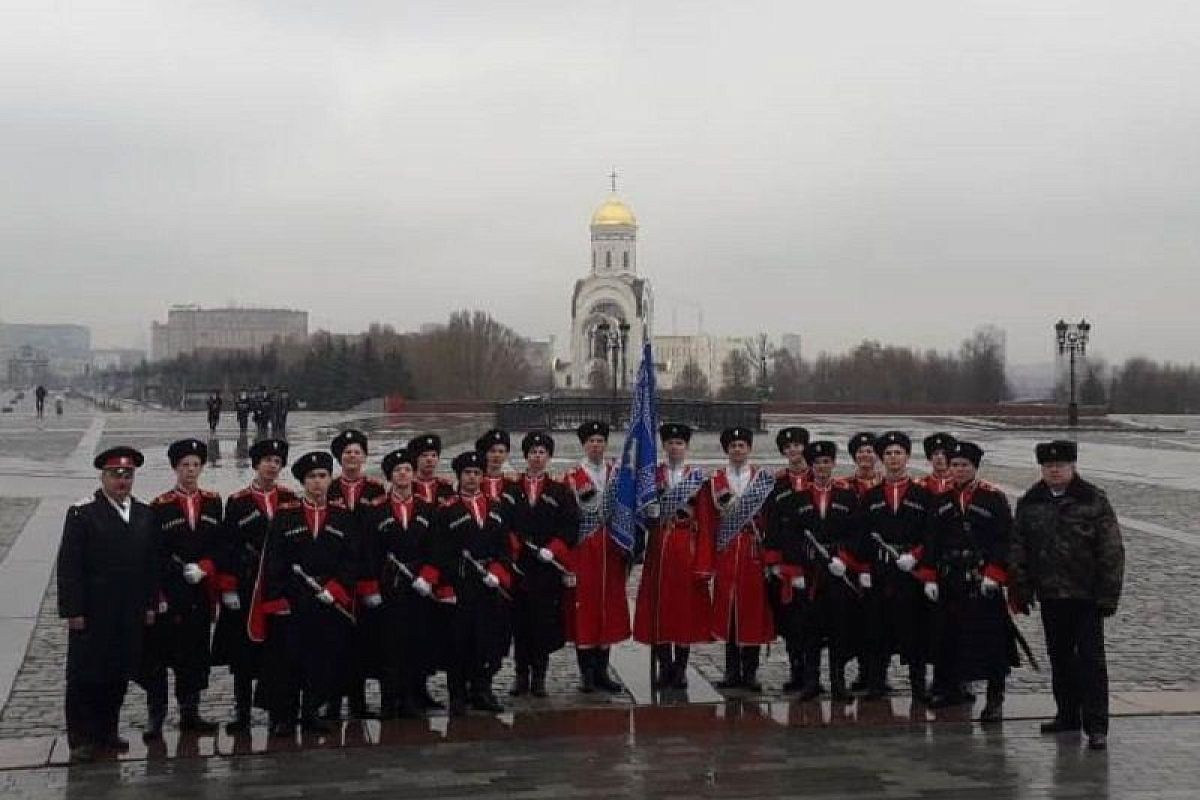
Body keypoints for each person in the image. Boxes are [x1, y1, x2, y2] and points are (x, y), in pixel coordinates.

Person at [1009, 440, 1124, 751]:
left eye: (1060, 466)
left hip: (1086, 595)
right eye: (1049, 466)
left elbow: (1111, 550)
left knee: (1091, 660)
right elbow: (1018, 546)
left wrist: (1108, 594)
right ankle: (1068, 714)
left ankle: (1097, 724)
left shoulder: (1093, 499)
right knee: (1060, 659)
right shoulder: (1030, 501)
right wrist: (1021, 586)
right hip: (1051, 594)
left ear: (1073, 467)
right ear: (1042, 469)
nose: (1055, 470)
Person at [57, 447, 157, 763]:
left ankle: (107, 730)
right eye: (116, 474)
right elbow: (70, 566)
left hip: (128, 611)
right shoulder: (83, 514)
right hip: (93, 611)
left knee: (117, 672)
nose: (122, 480)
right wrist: (73, 610)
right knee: (86, 675)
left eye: (128, 475)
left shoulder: (143, 514)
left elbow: (149, 564)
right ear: (103, 476)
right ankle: (81, 737)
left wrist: (149, 604)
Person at [257, 451, 359, 737]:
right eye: (312, 477)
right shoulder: (285, 516)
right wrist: (277, 600)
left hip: (326, 600)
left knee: (320, 658)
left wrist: (337, 589)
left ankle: (312, 710)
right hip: (292, 600)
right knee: (287, 661)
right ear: (303, 482)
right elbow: (273, 561)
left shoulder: (343, 517)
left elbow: (351, 560)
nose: (318, 483)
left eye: (323, 476)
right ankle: (284, 716)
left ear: (330, 479)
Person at [211, 438, 296, 734]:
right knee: (243, 653)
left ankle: (278, 714)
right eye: (267, 460)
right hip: (247, 584)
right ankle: (242, 713)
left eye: (277, 461)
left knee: (277, 652)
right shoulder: (237, 501)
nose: (272, 466)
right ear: (256, 464)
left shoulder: (289, 499)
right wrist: (229, 587)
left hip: (276, 586)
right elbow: (228, 546)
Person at [140, 439, 222, 741]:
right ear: (175, 468)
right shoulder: (160, 506)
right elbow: (153, 552)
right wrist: (160, 591)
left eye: (195, 465)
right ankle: (156, 714)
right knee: (159, 658)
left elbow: (220, 544)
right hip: (170, 593)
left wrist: (206, 567)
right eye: (185, 465)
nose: (190, 470)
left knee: (194, 655)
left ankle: (191, 712)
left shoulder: (214, 502)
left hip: (199, 592)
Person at [765, 440, 860, 700]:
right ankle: (810, 681)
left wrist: (845, 558)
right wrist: (793, 571)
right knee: (810, 630)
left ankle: (838, 682)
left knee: (839, 628)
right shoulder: (798, 498)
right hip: (809, 573)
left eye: (826, 462)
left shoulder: (847, 495)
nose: (821, 467)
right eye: (817, 463)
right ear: (811, 465)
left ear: (833, 464)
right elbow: (788, 537)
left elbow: (857, 533)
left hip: (837, 572)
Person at [927, 441, 1013, 722]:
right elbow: (932, 541)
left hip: (981, 577)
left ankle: (995, 698)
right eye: (955, 465)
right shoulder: (940, 500)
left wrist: (995, 574)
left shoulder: (993, 498)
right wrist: (930, 575)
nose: (959, 470)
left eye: (965, 465)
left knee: (992, 641)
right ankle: (953, 689)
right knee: (949, 636)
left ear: (975, 467)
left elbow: (1005, 539)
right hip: (950, 577)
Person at [855, 430, 938, 701]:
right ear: (882, 459)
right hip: (881, 571)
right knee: (877, 628)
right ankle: (877, 683)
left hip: (910, 571)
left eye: (898, 453)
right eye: (888, 453)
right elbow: (862, 535)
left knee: (914, 629)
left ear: (907, 456)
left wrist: (916, 556)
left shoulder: (923, 495)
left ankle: (918, 686)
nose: (893, 458)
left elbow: (931, 533)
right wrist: (865, 569)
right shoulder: (871, 496)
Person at [434, 451, 514, 715]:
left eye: (477, 473)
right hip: (460, 584)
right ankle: (457, 694)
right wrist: (445, 586)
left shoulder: (496, 507)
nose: (472, 478)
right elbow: (439, 552)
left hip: (487, 584)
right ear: (459, 476)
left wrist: (498, 571)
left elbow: (505, 547)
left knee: (486, 640)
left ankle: (483, 689)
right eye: (467, 473)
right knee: (458, 641)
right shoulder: (446, 511)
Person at [696, 426, 776, 691]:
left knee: (753, 612)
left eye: (742, 445)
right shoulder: (714, 482)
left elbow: (771, 523)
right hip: (727, 551)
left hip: (753, 552)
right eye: (733, 446)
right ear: (726, 450)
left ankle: (750, 673)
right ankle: (731, 672)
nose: (738, 450)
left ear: (749, 449)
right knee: (729, 613)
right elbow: (708, 524)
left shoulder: (763, 480)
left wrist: (771, 557)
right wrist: (707, 562)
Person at [633, 423, 711, 689]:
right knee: (660, 607)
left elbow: (705, 521)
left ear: (686, 447)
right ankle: (664, 664)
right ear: (664, 446)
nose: (675, 447)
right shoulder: (652, 477)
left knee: (684, 609)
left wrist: (703, 561)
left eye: (680, 443)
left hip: (686, 546)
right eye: (670, 443)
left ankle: (681, 667)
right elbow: (640, 513)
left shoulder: (698, 479)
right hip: (659, 547)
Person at [364, 447, 440, 718]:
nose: (403, 474)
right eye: (397, 471)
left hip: (417, 586)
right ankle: (388, 701)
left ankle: (409, 698)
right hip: (388, 586)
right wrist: (370, 588)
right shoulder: (376, 511)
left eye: (407, 469)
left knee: (414, 642)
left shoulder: (428, 509)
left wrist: (428, 578)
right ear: (389, 476)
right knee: (388, 645)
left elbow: (436, 549)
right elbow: (368, 552)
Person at [507, 432, 580, 698]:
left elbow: (571, 525)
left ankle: (539, 676)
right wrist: (514, 546)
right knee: (520, 623)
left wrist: (554, 549)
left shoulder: (559, 491)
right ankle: (520, 674)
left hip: (546, 568)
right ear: (525, 456)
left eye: (542, 452)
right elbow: (503, 524)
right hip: (520, 567)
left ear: (548, 457)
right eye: (533, 452)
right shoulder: (511, 490)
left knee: (542, 623)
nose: (537, 457)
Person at [564, 421, 630, 693]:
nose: (596, 445)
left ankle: (603, 670)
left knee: (609, 607)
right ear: (583, 444)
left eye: (600, 440)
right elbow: (568, 521)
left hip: (612, 549)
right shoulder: (572, 477)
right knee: (586, 609)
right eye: (591, 440)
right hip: (585, 549)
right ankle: (587, 673)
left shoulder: (617, 474)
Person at [326, 429, 387, 720]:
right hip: (335, 573)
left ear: (364, 456)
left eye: (357, 452)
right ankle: (333, 701)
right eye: (347, 452)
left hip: (366, 572)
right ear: (339, 457)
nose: (352, 456)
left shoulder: (376, 490)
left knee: (363, 639)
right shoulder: (328, 487)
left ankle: (359, 701)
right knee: (335, 639)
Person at [765, 426, 812, 689]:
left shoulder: (818, 477)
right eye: (788, 447)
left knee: (813, 618)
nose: (793, 451)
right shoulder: (777, 482)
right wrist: (773, 561)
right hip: (788, 559)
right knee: (791, 621)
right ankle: (797, 670)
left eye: (797, 445)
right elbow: (771, 524)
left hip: (813, 560)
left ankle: (812, 671)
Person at [408, 433, 456, 504]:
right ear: (415, 459)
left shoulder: (445, 486)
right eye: (424, 456)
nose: (429, 460)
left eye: (434, 455)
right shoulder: (408, 485)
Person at [846, 433, 881, 498]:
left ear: (877, 456)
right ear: (854, 457)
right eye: (860, 452)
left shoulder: (885, 483)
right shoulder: (843, 485)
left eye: (869, 451)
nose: (865, 455)